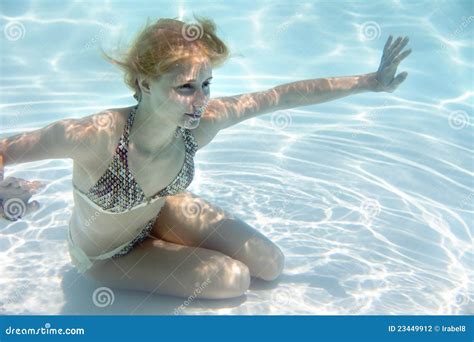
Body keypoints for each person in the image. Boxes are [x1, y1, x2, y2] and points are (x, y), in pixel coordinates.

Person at [0, 17, 411, 299]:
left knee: (271, 264)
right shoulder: (97, 137)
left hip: (160, 210)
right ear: (144, 82)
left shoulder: (199, 126)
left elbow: (279, 96)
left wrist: (370, 82)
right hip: (107, 256)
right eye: (185, 87)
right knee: (234, 280)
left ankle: (168, 235)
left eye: (207, 84)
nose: (200, 100)